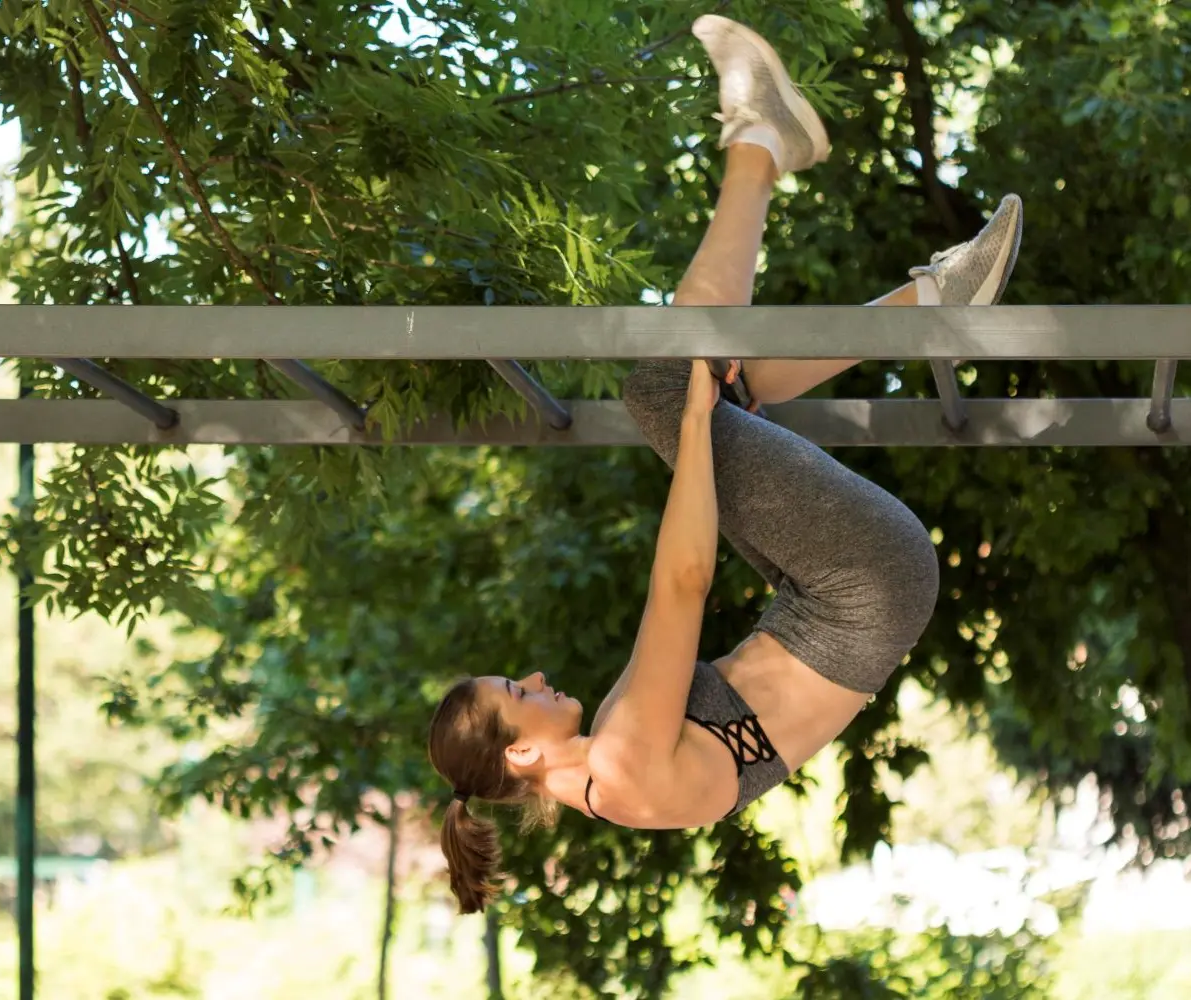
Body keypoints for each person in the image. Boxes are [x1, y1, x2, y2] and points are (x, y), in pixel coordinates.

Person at [427, 13, 1024, 915]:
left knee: (717, 384)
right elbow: (683, 582)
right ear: (519, 750)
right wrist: (694, 426)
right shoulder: (621, 760)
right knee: (667, 387)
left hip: (841, 598)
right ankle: (757, 142)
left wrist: (711, 417)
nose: (537, 678)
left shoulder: (612, 784)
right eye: (519, 691)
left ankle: (928, 299)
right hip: (859, 585)